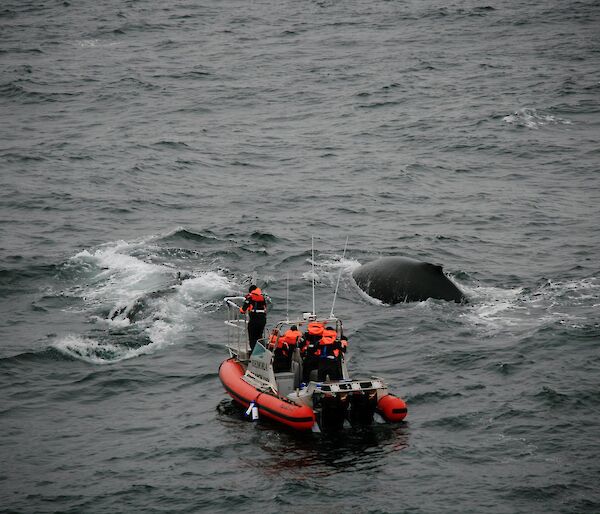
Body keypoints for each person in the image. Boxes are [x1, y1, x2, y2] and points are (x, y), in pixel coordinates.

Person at [239, 285, 267, 352]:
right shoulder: (262, 297)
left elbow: (243, 310)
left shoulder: (250, 297)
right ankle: (262, 351)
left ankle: (254, 353)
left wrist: (240, 309)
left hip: (254, 320)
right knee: (259, 336)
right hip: (262, 320)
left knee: (252, 338)